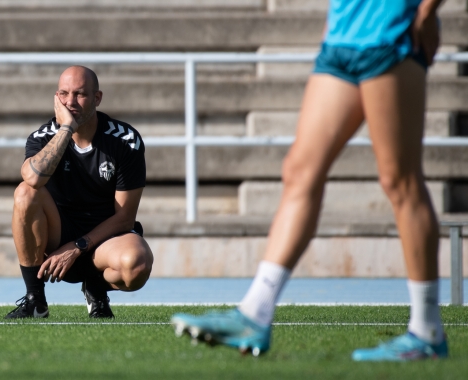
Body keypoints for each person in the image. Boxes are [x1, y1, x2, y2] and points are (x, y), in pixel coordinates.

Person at [172, 0, 448, 361]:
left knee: (400, 180)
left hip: (392, 33)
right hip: (341, 39)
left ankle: (427, 331)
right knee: (300, 170)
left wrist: (426, 11)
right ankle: (255, 313)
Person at [6, 66, 153, 319]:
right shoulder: (43, 136)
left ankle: (95, 286)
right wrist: (65, 129)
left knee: (136, 265)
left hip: (106, 238)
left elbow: (125, 217)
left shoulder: (125, 139)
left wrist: (78, 246)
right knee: (24, 193)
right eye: (64, 94)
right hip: (57, 236)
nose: (70, 102)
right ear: (56, 98)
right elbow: (31, 178)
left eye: (80, 94)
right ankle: (35, 300)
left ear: (97, 98)